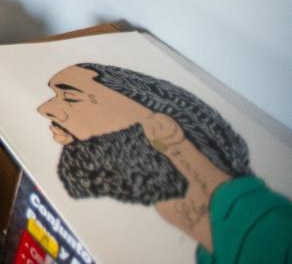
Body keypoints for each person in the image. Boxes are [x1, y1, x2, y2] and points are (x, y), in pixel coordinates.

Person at [37, 63, 292, 264]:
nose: (45, 109)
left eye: (70, 97)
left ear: (162, 128)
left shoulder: (275, 231)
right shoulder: (211, 249)